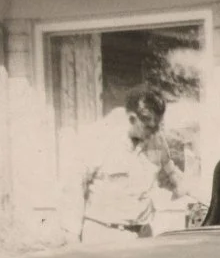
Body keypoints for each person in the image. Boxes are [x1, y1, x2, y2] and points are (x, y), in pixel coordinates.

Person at [60, 84, 186, 243]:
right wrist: (72, 238)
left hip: (143, 236)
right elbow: (73, 188)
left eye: (157, 127)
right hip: (104, 236)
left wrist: (184, 187)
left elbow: (171, 176)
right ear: (132, 119)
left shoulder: (157, 141)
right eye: (149, 127)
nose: (154, 133)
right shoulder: (96, 138)